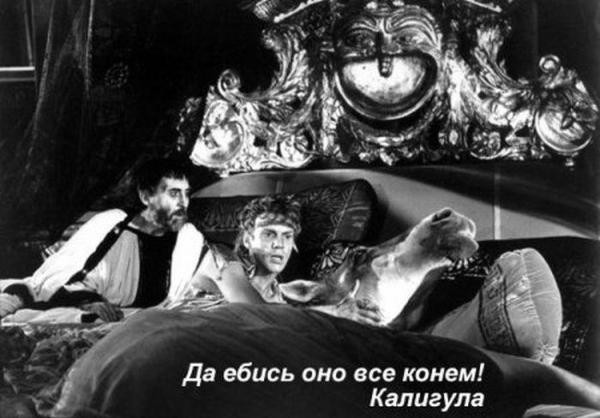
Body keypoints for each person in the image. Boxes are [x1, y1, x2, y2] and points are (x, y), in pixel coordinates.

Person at [0, 158, 210, 322]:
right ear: (146, 196)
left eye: (186, 194)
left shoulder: (188, 238)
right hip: (96, 315)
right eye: (174, 193)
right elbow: (59, 280)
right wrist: (88, 302)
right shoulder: (112, 225)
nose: (183, 202)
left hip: (146, 322)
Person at [199, 195, 382, 324]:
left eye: (287, 236)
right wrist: (334, 311)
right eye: (269, 234)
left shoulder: (282, 300)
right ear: (248, 240)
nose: (279, 244)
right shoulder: (222, 260)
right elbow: (258, 312)